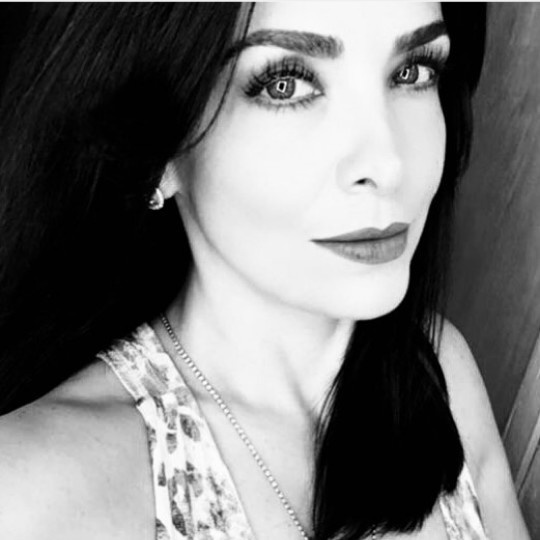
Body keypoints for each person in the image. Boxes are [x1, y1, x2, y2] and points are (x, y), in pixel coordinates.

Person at [0, 3, 530, 540]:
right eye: (286, 85)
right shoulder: (32, 494)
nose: (387, 164)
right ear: (159, 150)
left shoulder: (437, 370)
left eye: (412, 72)